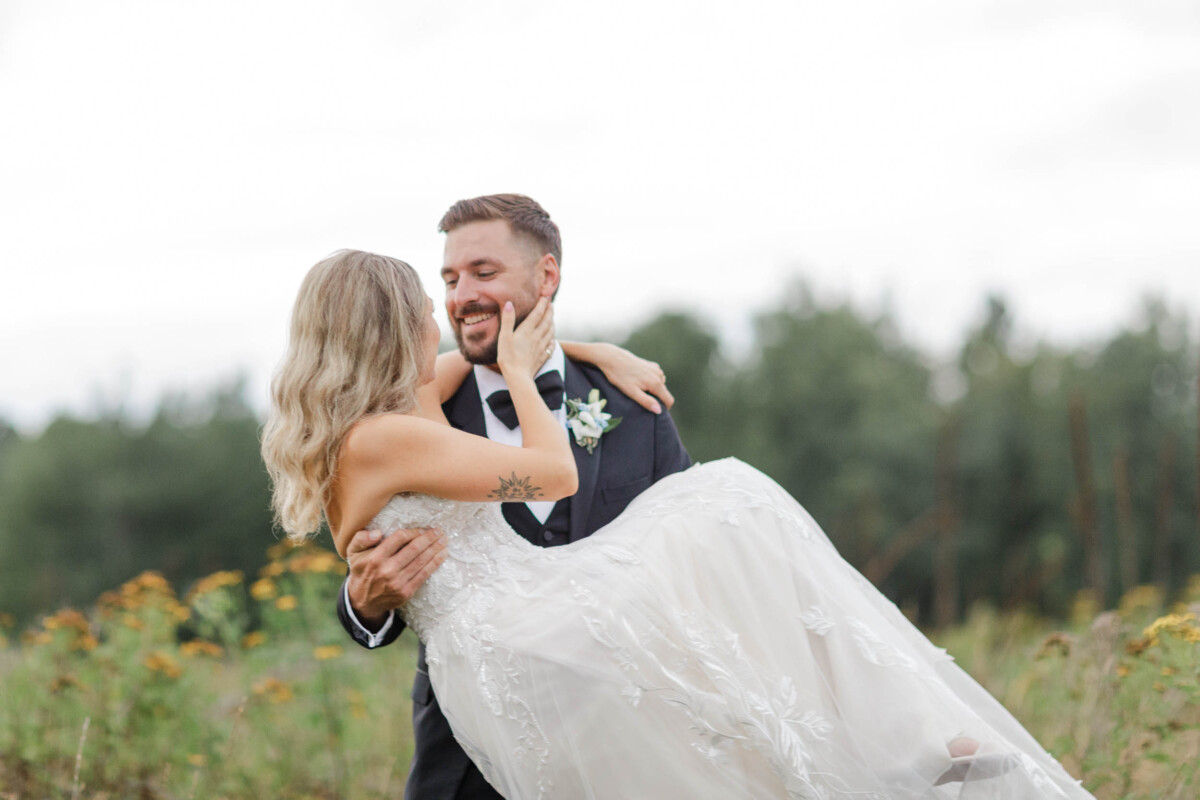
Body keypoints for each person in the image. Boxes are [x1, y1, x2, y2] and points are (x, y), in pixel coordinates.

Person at [263, 248, 1095, 799]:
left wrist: (592, 355)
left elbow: (477, 361)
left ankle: (893, 754)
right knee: (731, 502)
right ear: (383, 329)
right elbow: (552, 470)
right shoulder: (387, 437)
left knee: (729, 560)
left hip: (530, 621)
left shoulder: (395, 413)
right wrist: (523, 378)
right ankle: (900, 748)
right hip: (518, 640)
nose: (435, 321)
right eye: (419, 307)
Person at [330, 195, 692, 799]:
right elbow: (362, 564)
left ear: (546, 276)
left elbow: (685, 562)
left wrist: (590, 352)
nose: (459, 295)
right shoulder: (419, 407)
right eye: (448, 279)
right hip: (467, 760)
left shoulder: (634, 406)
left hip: (622, 745)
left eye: (483, 273)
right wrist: (363, 601)